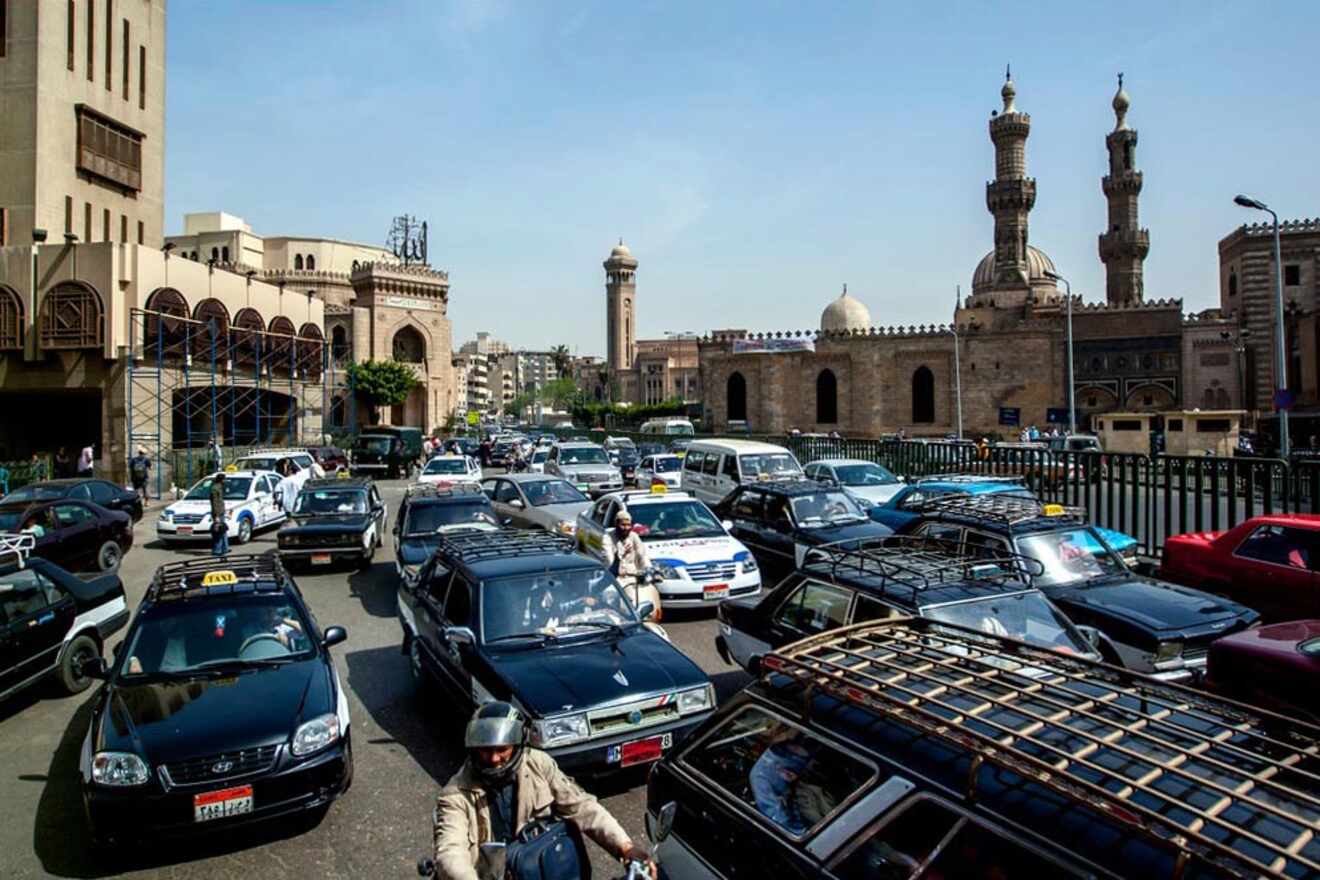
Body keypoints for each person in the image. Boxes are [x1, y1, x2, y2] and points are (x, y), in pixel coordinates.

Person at [432, 702, 653, 880]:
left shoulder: (539, 764)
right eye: (485, 750)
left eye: (502, 750)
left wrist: (625, 848)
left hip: (538, 867)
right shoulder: (455, 794)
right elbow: (451, 852)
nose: (493, 758)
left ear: (518, 745)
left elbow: (582, 807)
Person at [602, 510, 650, 604]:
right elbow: (609, 560)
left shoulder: (634, 536)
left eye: (628, 525)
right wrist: (622, 552)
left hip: (634, 577)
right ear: (616, 524)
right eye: (623, 525)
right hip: (615, 578)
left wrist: (648, 569)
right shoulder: (607, 538)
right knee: (608, 600)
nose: (626, 528)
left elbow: (642, 556)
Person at [209, 473, 229, 556]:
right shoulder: (215, 488)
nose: (225, 481)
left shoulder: (220, 487)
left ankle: (225, 548)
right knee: (219, 532)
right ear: (221, 480)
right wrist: (216, 515)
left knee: (223, 530)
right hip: (217, 512)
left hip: (221, 511)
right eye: (224, 479)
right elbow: (215, 503)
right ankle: (217, 550)